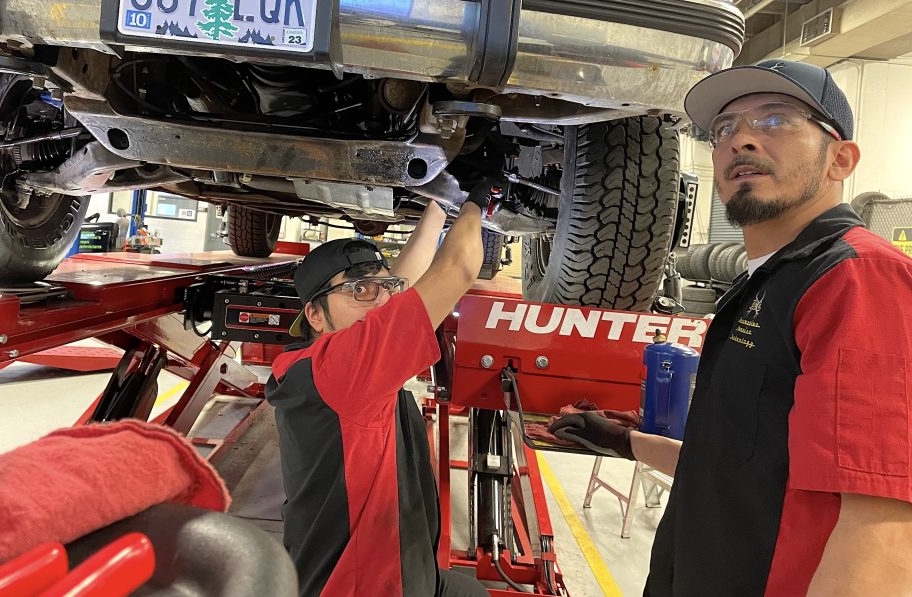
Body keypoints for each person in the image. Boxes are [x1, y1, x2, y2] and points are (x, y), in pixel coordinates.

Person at [549, 60, 912, 596]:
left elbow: (880, 529)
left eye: (775, 120)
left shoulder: (856, 276)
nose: (741, 139)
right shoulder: (769, 280)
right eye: (724, 128)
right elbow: (740, 469)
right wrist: (626, 441)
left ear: (840, 160)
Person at [266, 186, 501, 596]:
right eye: (360, 290)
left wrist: (440, 200)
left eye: (383, 288)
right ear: (315, 314)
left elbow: (405, 280)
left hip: (400, 566)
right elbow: (460, 267)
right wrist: (478, 197)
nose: (382, 304)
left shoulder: (311, 364)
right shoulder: (343, 368)